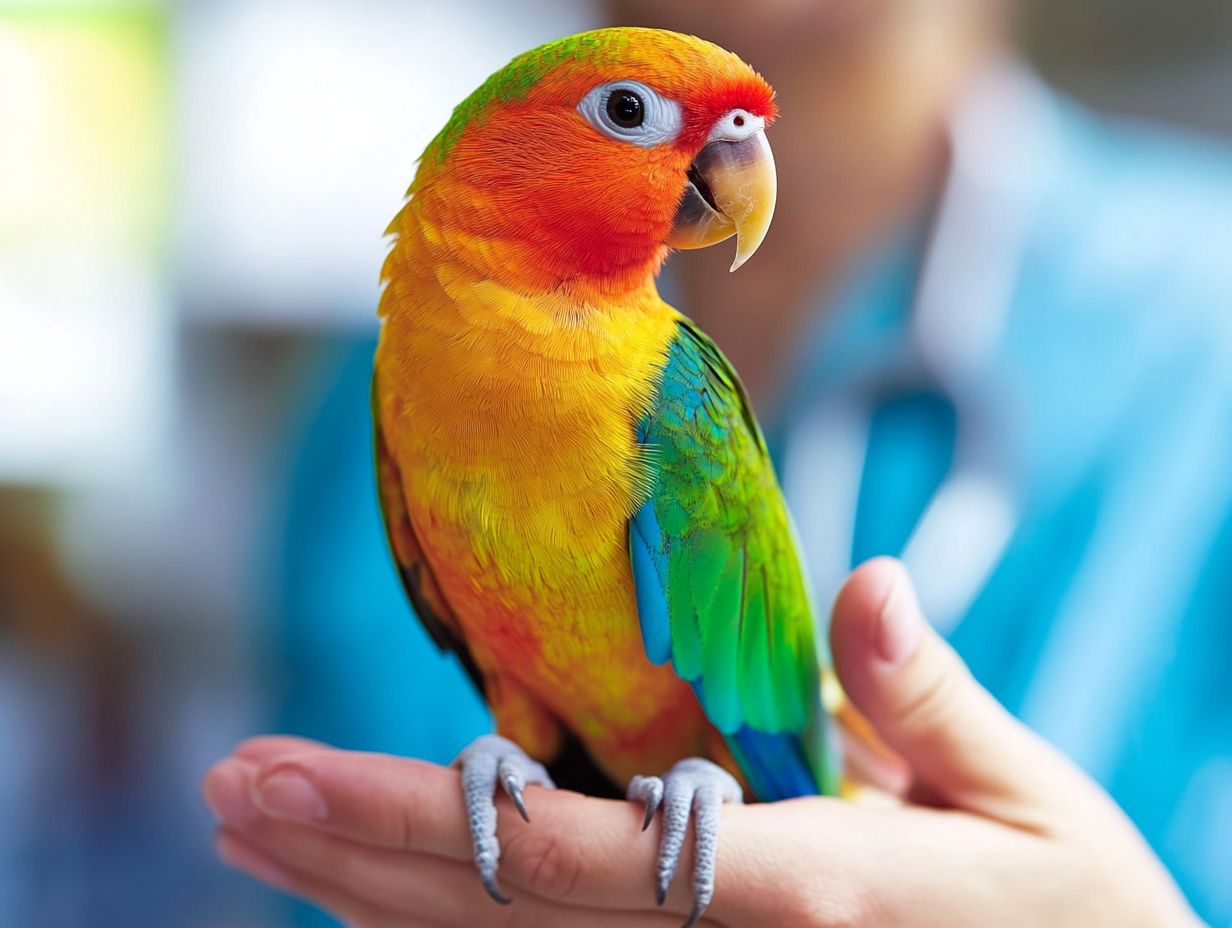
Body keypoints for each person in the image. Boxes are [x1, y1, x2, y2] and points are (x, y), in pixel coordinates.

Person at [209, 1, 1232, 923]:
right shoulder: (370, 397)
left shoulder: (1196, 329)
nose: (733, 152)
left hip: (730, 752)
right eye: (626, 113)